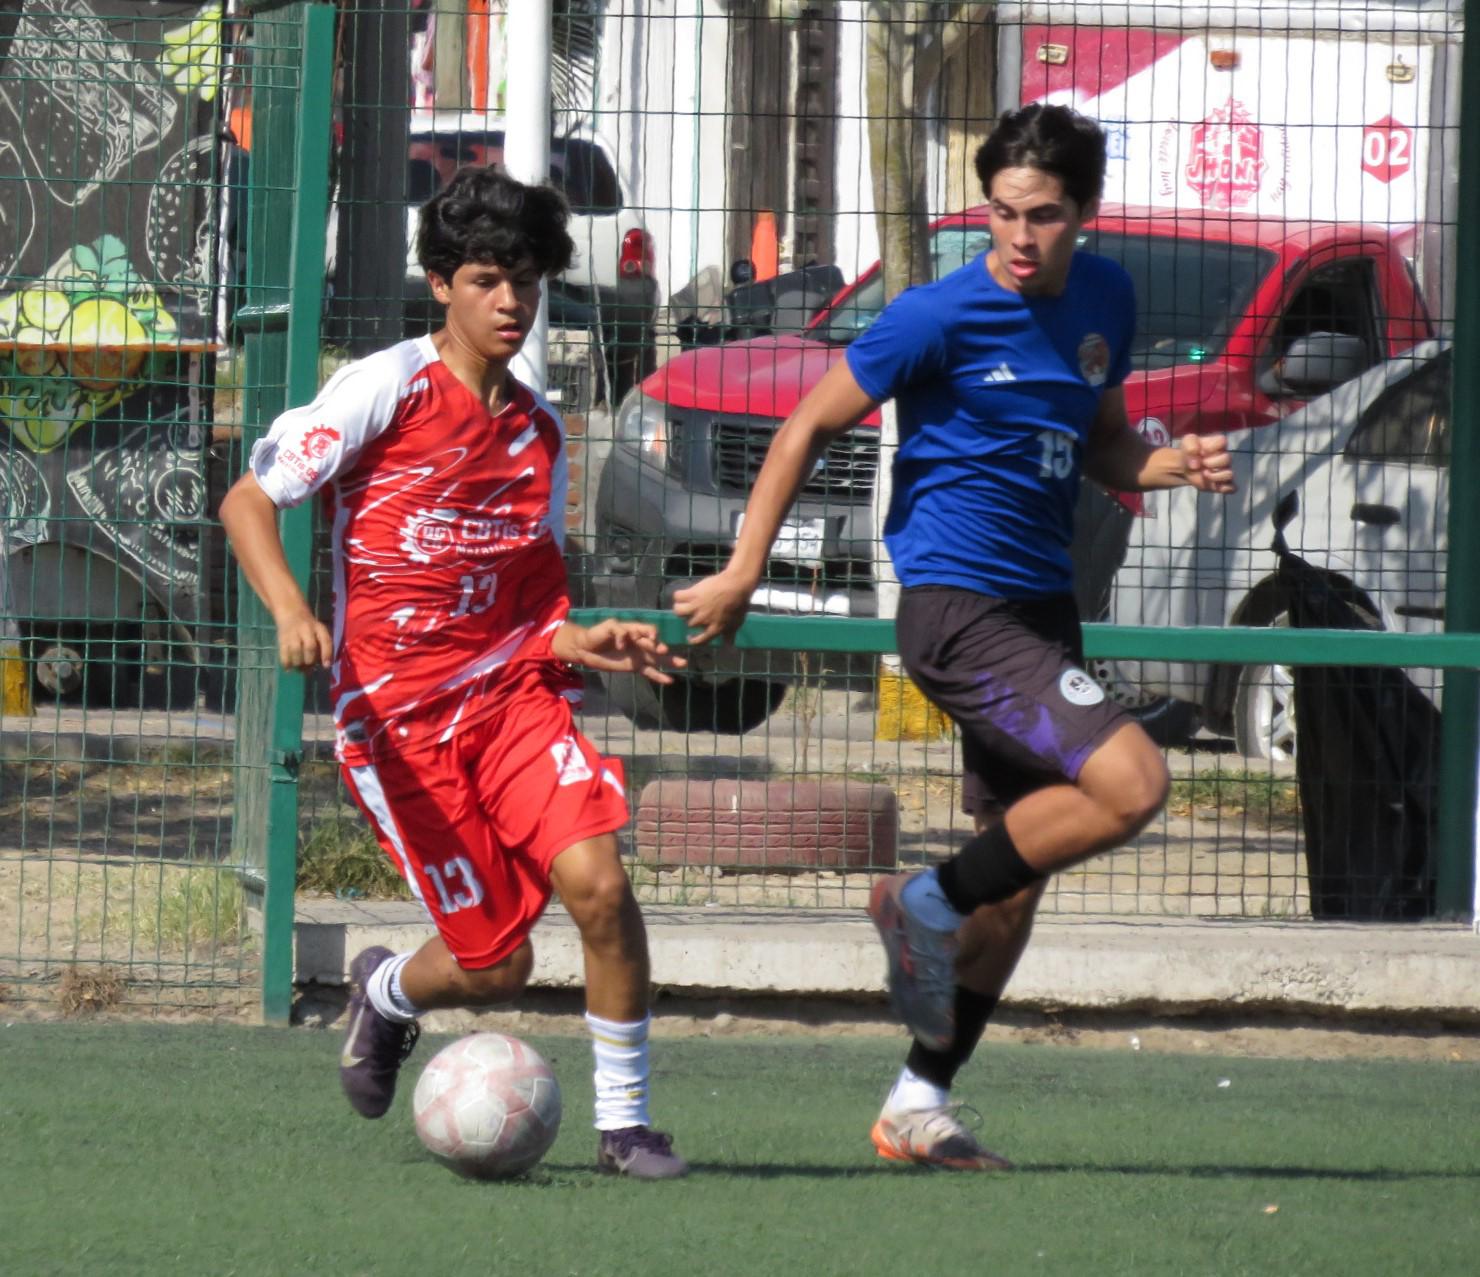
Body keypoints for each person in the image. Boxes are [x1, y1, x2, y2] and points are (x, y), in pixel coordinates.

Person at [673, 104, 1236, 1171]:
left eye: (1045, 215)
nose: (1020, 236)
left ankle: (918, 1100)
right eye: (1003, 213)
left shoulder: (1106, 297)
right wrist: (746, 569)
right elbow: (803, 425)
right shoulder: (934, 315)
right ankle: (920, 900)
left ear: (1085, 215)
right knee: (1135, 784)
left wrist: (1175, 463)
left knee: (1015, 881)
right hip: (955, 608)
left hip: (1040, 610)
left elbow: (1107, 449)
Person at [220, 165, 689, 1180]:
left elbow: (535, 606)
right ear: (441, 283)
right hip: (398, 719)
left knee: (601, 886)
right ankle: (387, 994)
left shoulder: (538, 429)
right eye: (486, 279)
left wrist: (587, 637)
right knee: (494, 962)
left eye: (524, 281)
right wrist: (294, 610)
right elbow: (247, 504)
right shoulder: (383, 387)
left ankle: (626, 1123)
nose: (510, 302)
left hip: (511, 696)